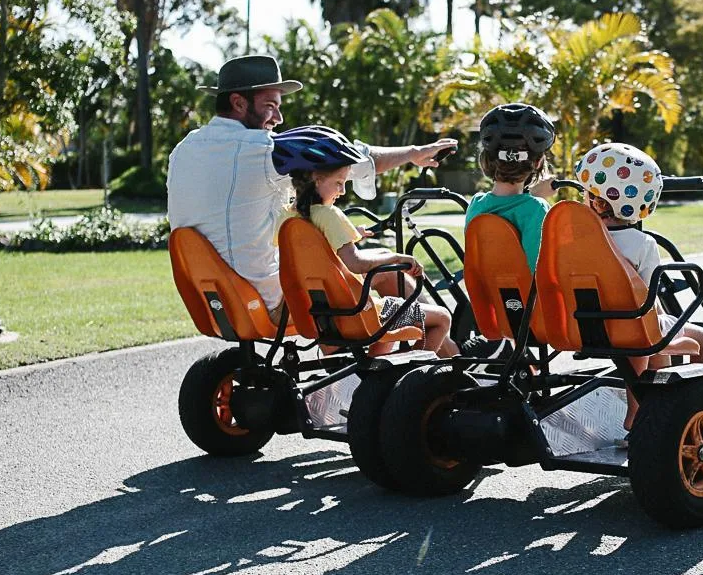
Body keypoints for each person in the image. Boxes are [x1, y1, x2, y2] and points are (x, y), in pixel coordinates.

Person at [166, 54, 456, 317]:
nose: (279, 118)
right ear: (239, 103)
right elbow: (348, 160)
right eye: (270, 106)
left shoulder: (183, 149)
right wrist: (412, 153)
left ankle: (353, 363)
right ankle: (445, 340)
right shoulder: (261, 151)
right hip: (267, 298)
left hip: (214, 296)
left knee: (339, 263)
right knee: (386, 271)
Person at [575, 142, 703, 435]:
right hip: (633, 328)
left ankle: (649, 409)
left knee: (653, 337)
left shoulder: (575, 241)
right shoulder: (643, 244)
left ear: (593, 200)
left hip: (585, 325)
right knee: (700, 335)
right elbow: (649, 295)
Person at [281, 149, 460, 357]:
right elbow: (356, 263)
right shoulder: (328, 214)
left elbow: (313, 248)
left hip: (323, 315)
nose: (343, 191)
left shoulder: (288, 218)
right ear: (316, 179)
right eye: (339, 183)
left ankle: (376, 377)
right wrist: (398, 258)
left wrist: (349, 233)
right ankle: (418, 374)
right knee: (442, 318)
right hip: (361, 314)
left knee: (390, 325)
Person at [462, 103, 556, 270]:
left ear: (487, 160)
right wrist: (537, 198)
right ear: (538, 162)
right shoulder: (536, 209)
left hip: (485, 296)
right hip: (526, 296)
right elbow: (539, 272)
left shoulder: (476, 205)